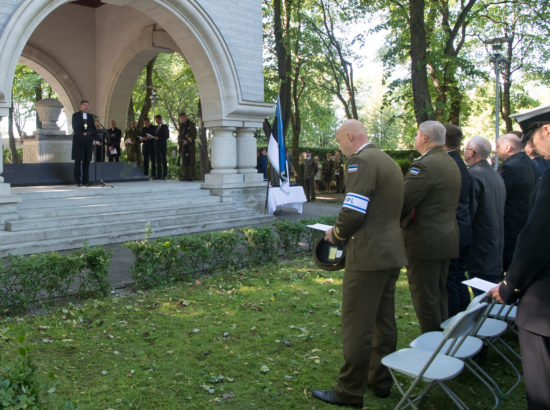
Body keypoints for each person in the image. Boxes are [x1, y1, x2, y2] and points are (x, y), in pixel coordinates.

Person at [312, 119, 406, 408]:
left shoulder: (360, 163)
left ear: (350, 137)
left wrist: (336, 234)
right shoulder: (388, 161)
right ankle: (381, 381)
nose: (339, 149)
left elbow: (353, 212)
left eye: (340, 142)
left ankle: (349, 390)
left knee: (357, 324)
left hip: (367, 255)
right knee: (384, 320)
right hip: (390, 252)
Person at [489, 104, 550, 410]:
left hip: (544, 307)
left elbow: (537, 238)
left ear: (547, 130)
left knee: (543, 390)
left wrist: (510, 286)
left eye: (532, 136)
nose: (531, 146)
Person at [401, 120, 461, 333]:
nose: (416, 139)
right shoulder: (450, 162)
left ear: (424, 137)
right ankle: (443, 340)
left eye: (417, 135)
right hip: (446, 238)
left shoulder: (424, 165)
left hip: (424, 241)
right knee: (438, 293)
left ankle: (432, 348)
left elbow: (403, 201)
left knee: (425, 297)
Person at [464, 136, 506, 289]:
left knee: (482, 293)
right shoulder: (495, 174)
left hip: (480, 244)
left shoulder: (474, 176)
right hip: (495, 242)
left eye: (466, 149)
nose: (464, 152)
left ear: (472, 153)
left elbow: (469, 211)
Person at [495, 133, 537, 272]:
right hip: (526, 222)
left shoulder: (509, 167)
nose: (496, 150)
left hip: (510, 226)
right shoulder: (528, 162)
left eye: (498, 146)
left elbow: (498, 195)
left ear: (507, 148)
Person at [444, 124, 472, 316]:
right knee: (458, 279)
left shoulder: (450, 165)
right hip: (464, 227)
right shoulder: (460, 163)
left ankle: (455, 327)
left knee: (450, 281)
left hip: (453, 230)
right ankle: (465, 323)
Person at [71, 100, 96, 186]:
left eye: (87, 105)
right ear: (81, 106)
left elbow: (93, 129)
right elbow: (75, 128)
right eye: (85, 105)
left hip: (88, 142)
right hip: (78, 142)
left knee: (86, 162)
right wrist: (83, 134)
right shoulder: (76, 116)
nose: (86, 107)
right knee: (78, 162)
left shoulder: (90, 117)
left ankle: (86, 180)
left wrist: (88, 133)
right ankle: (77, 181)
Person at [178, 112, 197, 181]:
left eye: (183, 118)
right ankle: (185, 176)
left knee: (191, 161)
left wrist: (187, 141)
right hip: (183, 146)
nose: (182, 119)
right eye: (181, 118)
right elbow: (180, 135)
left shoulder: (191, 124)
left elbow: (194, 135)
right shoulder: (181, 125)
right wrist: (181, 142)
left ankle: (192, 176)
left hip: (190, 146)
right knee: (184, 161)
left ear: (186, 117)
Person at [153, 115, 169, 180]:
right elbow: (154, 135)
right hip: (156, 146)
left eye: (156, 119)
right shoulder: (155, 127)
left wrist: (159, 138)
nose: (156, 121)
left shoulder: (165, 127)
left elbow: (167, 136)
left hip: (162, 146)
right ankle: (158, 175)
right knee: (158, 161)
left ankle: (164, 175)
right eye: (155, 120)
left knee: (163, 160)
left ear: (160, 119)